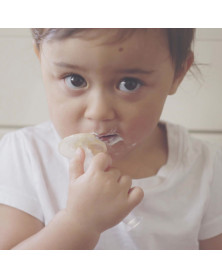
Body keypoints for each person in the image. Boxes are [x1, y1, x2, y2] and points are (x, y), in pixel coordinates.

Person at [0, 28, 222, 250]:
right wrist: (79, 224)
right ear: (42, 61)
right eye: (75, 80)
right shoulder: (25, 156)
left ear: (177, 73)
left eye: (129, 84)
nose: (98, 112)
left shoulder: (206, 167)